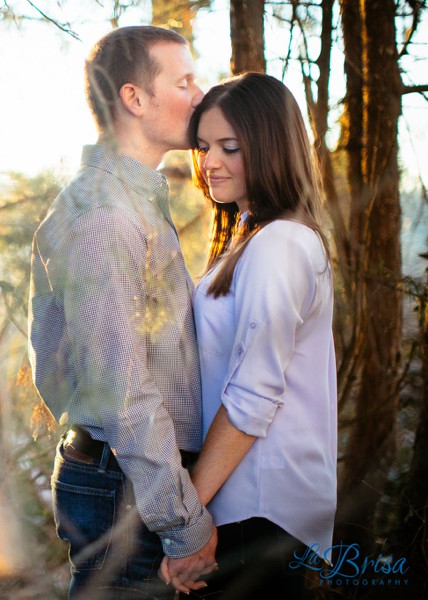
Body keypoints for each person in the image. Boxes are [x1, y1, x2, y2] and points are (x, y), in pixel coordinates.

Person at [28, 25, 218, 599]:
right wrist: (185, 526)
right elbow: (122, 395)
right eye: (183, 81)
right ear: (134, 98)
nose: (199, 94)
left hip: (128, 479)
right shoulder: (106, 215)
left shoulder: (128, 202)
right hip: (128, 487)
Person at [161, 72, 337, 599]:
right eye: (203, 146)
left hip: (256, 509)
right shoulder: (251, 236)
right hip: (242, 504)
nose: (209, 162)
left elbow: (254, 392)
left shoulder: (279, 243)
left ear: (271, 147)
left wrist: (188, 516)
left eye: (229, 147)